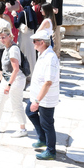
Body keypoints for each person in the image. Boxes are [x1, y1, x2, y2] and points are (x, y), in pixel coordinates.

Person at [0, 26, 28, 138]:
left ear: (10, 36)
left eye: (4, 37)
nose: (2, 40)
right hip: (7, 78)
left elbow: (16, 69)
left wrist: (9, 85)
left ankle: (22, 128)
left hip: (16, 80)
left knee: (16, 104)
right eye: (0, 38)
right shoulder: (6, 48)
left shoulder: (13, 49)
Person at [26, 29, 60, 161]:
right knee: (29, 112)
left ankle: (51, 151)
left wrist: (37, 101)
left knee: (47, 124)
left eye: (35, 41)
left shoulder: (50, 58)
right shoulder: (43, 54)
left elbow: (48, 82)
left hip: (45, 99)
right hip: (37, 96)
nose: (33, 43)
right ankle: (42, 138)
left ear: (42, 42)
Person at [15, 0, 38, 75]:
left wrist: (15, 16)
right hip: (31, 35)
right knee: (31, 55)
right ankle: (32, 73)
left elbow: (17, 25)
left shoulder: (22, 13)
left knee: (23, 54)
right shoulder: (33, 12)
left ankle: (24, 73)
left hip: (24, 36)